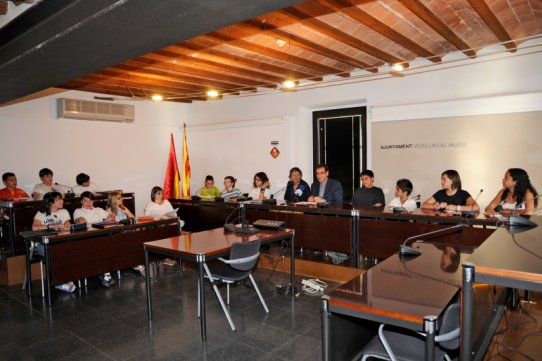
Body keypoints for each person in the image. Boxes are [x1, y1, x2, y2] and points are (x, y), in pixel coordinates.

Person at [32, 191, 75, 293]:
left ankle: (66, 277)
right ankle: (59, 283)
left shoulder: (64, 212)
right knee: (56, 254)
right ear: (50, 202)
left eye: (62, 198)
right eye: (58, 199)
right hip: (44, 244)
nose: (62, 201)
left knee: (73, 250)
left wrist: (67, 224)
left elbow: (67, 223)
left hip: (60, 242)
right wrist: (52, 226)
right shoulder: (41, 213)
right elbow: (34, 228)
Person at [73, 191, 116, 287]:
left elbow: (111, 217)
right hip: (86, 238)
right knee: (100, 248)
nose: (88, 203)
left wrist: (110, 218)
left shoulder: (99, 209)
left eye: (90, 201)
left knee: (110, 246)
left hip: (101, 236)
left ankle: (105, 272)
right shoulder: (78, 211)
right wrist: (82, 220)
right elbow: (79, 220)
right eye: (85, 201)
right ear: (81, 202)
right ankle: (104, 273)